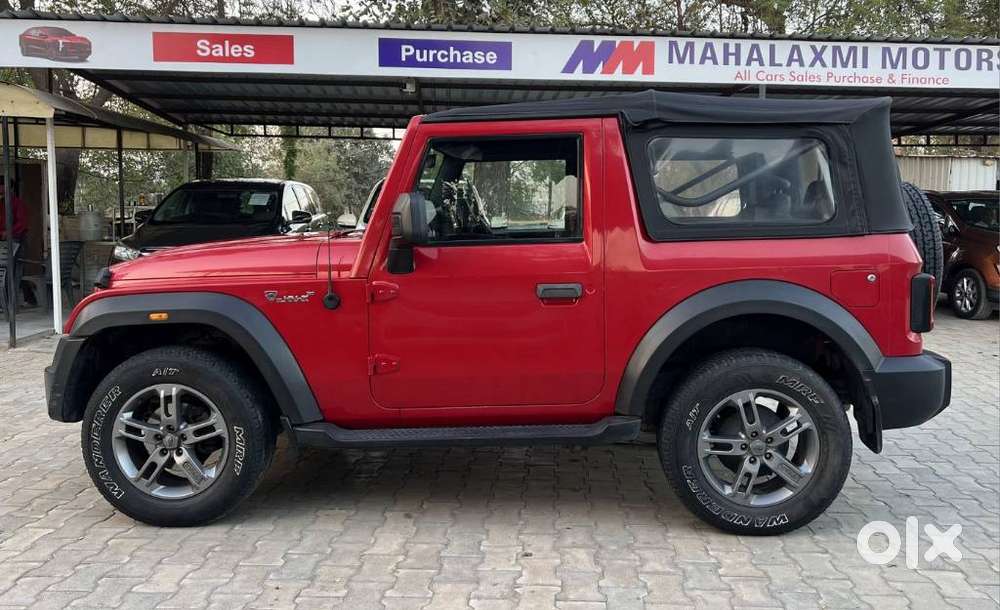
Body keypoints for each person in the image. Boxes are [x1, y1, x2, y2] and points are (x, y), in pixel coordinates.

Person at [0, 180, 27, 244]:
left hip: (14, 237)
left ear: (10, 189)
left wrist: (8, 232)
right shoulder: (1, 203)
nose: (1, 194)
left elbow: (22, 223)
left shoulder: (17, 203)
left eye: (3, 192)